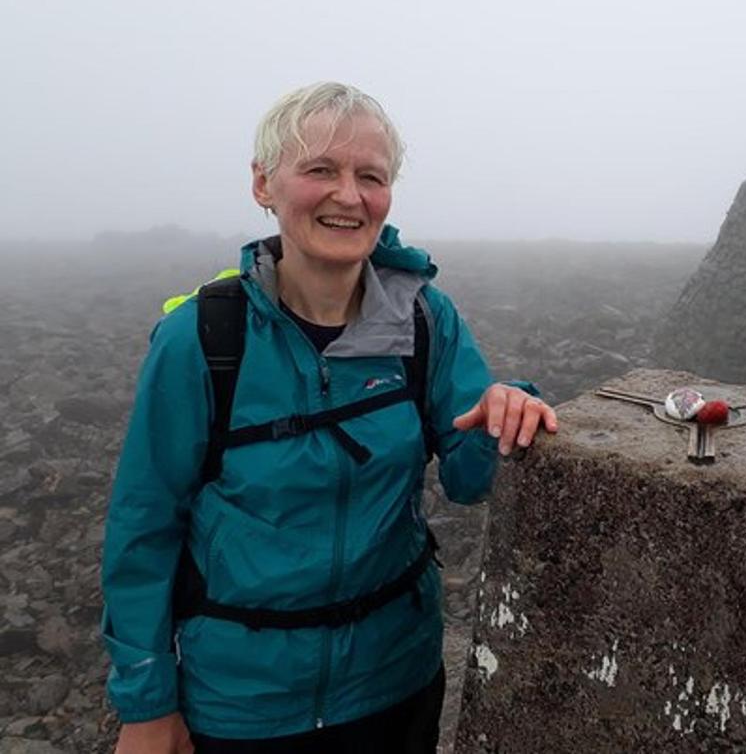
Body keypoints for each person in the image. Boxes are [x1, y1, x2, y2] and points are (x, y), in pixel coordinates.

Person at [101, 82, 557, 753]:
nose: (349, 196)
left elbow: (467, 478)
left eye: (370, 176)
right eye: (320, 170)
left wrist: (503, 411)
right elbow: (143, 526)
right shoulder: (202, 338)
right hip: (241, 706)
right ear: (264, 184)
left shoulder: (424, 320)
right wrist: (146, 706)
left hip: (394, 684)